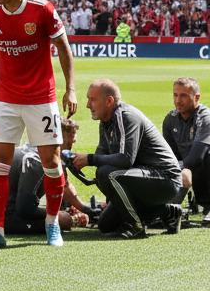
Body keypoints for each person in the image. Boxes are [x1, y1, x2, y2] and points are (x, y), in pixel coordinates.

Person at [0, 0, 76, 249]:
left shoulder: (41, 9)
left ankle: (52, 224)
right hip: (6, 99)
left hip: (41, 99)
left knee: (51, 162)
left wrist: (70, 88)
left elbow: (63, 47)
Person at [69, 79, 183, 238]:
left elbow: (125, 160)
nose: (88, 105)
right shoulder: (105, 121)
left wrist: (89, 159)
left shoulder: (126, 116)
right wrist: (75, 165)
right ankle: (168, 211)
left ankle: (135, 226)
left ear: (109, 101)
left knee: (107, 174)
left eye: (92, 99)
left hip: (166, 179)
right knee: (105, 225)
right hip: (143, 179)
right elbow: (102, 157)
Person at [0, 117, 91, 235]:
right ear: (57, 139)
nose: (72, 146)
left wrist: (83, 208)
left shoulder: (39, 149)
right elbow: (25, 210)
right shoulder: (37, 162)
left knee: (57, 213)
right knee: (64, 220)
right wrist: (63, 214)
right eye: (69, 144)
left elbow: (65, 187)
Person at [162, 76, 210, 213]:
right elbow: (170, 154)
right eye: (175, 95)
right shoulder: (170, 119)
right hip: (187, 168)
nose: (178, 101)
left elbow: (197, 156)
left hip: (202, 163)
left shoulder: (206, 118)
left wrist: (180, 170)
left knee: (206, 158)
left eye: (183, 96)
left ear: (196, 97)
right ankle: (168, 208)